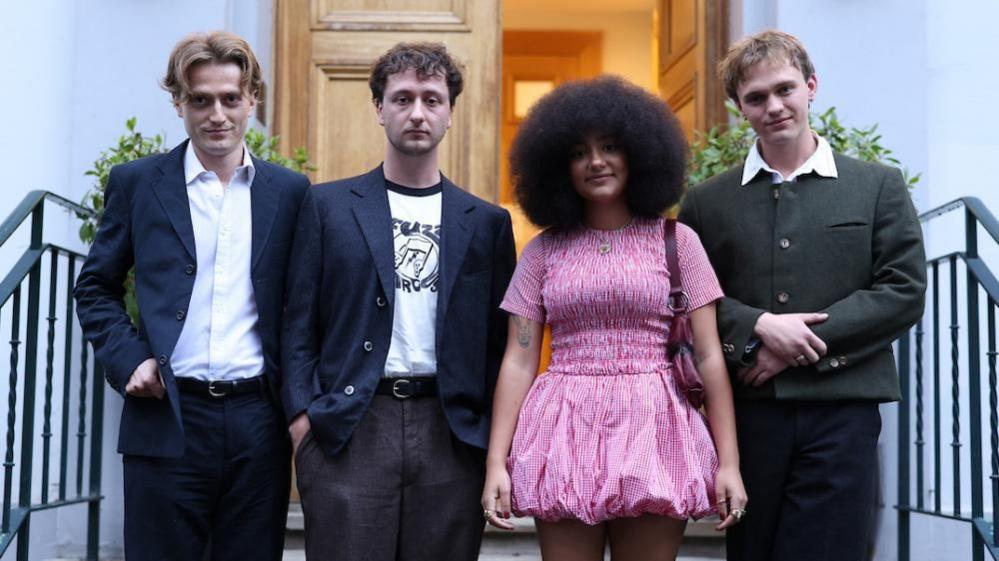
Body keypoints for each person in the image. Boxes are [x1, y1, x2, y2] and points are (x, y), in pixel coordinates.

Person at [678, 30, 926, 561]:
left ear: (811, 87)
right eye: (756, 98)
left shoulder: (878, 185)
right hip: (750, 412)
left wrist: (799, 339)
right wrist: (759, 327)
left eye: (785, 89)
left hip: (844, 408)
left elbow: (902, 291)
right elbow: (688, 297)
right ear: (739, 108)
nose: (774, 106)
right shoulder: (705, 202)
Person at [481, 76, 747, 561]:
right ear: (560, 167)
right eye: (579, 152)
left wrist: (729, 464)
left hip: (656, 423)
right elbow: (518, 361)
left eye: (609, 147)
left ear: (639, 154)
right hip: (564, 425)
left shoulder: (678, 242)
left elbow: (710, 356)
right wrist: (496, 463)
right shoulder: (542, 252)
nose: (596, 161)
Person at [74, 31, 310, 561]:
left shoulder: (289, 193)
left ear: (252, 98)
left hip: (257, 420)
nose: (217, 114)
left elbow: (304, 306)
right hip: (167, 415)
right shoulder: (138, 184)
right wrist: (127, 356)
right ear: (179, 103)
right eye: (200, 100)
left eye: (230, 98)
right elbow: (95, 286)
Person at [281, 42, 516, 561]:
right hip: (351, 425)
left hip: (451, 432)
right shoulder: (326, 207)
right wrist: (304, 424)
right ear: (379, 108)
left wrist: (492, 441)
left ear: (451, 113)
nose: (417, 112)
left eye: (432, 99)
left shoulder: (487, 223)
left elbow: (501, 348)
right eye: (403, 97)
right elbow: (297, 324)